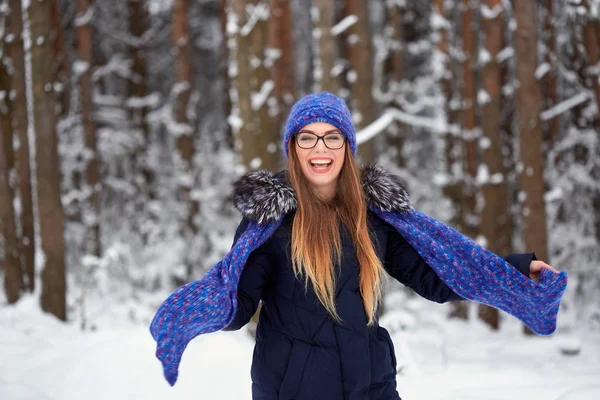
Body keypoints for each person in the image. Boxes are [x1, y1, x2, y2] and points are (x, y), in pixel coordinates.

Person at [149, 92, 567, 399]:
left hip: (372, 386)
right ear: (293, 148)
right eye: (307, 138)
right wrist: (202, 310)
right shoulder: (269, 222)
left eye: (332, 137)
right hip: (294, 390)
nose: (320, 149)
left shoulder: (375, 216)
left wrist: (515, 269)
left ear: (347, 148)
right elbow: (238, 299)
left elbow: (439, 275)